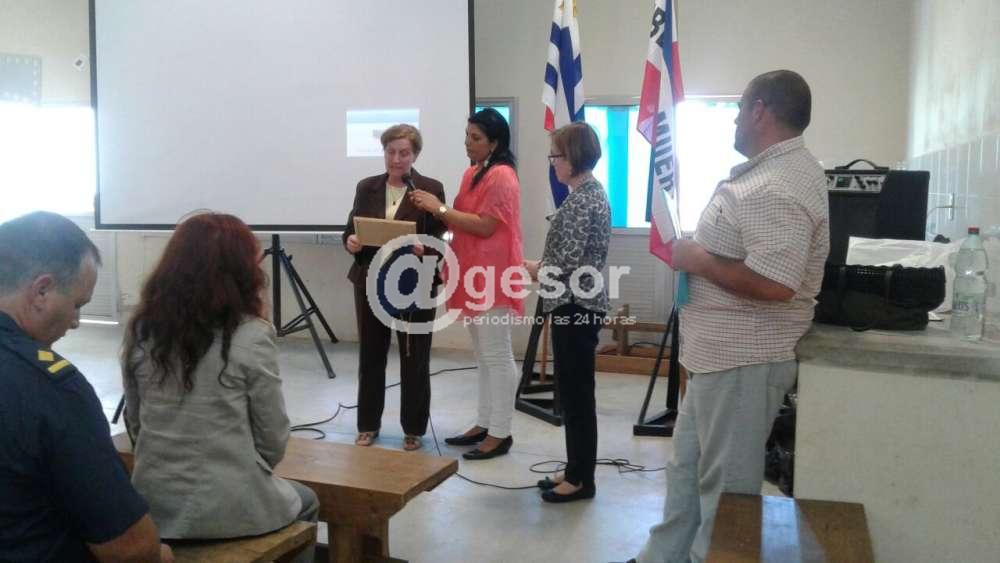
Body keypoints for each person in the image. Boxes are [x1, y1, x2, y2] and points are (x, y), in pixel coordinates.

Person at [631, 70, 830, 563]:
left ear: (760, 111)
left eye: (740, 109)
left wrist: (697, 259)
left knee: (725, 489)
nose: (735, 120)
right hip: (718, 357)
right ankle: (664, 556)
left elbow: (777, 284)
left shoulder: (780, 184)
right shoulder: (769, 173)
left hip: (745, 360)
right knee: (686, 470)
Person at [122, 213, 318, 563]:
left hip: (155, 506)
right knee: (307, 501)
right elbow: (272, 439)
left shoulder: (142, 331)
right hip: (232, 506)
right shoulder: (252, 335)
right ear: (242, 272)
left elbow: (135, 425)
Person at [0, 211, 173, 562]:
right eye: (77, 304)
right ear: (42, 290)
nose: (76, 322)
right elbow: (131, 550)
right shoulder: (51, 389)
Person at [410, 108, 525, 460]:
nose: (468, 143)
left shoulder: (502, 176)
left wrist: (438, 208)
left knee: (497, 354)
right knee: (483, 355)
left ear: (495, 142)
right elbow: (459, 222)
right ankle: (485, 423)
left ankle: (501, 432)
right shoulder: (472, 173)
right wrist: (435, 226)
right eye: (467, 136)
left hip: (493, 275)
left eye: (476, 138)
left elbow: (486, 226)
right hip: (472, 271)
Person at [342, 124, 447, 450]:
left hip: (415, 283)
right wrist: (351, 241)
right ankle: (367, 425)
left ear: (415, 155)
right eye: (391, 152)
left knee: (414, 357)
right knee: (371, 355)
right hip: (371, 280)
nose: (396, 159)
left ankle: (413, 429)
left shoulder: (430, 189)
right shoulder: (367, 187)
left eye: (404, 153)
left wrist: (425, 248)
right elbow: (349, 230)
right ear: (384, 152)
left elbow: (442, 237)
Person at [524, 122, 611, 503]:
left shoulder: (581, 201)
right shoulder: (587, 194)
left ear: (573, 158)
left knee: (576, 397)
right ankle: (577, 468)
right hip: (575, 304)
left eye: (555, 156)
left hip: (575, 306)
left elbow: (568, 264)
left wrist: (534, 269)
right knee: (574, 393)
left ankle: (580, 480)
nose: (552, 163)